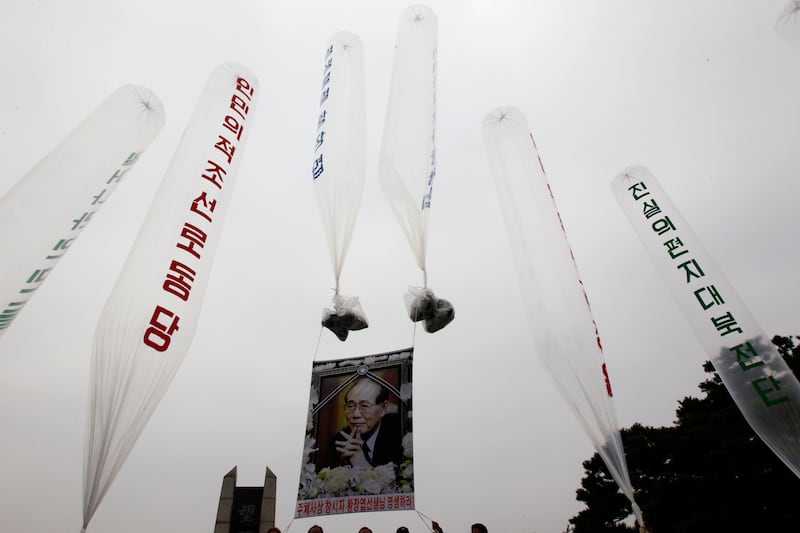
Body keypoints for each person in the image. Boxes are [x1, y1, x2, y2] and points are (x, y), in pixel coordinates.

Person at [325, 377, 403, 469]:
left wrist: (362, 464)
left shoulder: (399, 438)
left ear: (383, 408)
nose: (356, 414)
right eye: (350, 406)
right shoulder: (338, 442)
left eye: (365, 406)